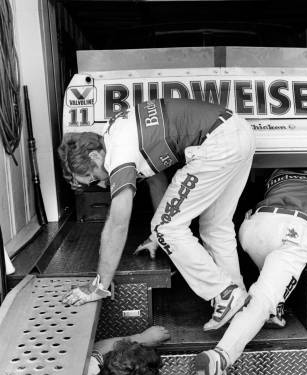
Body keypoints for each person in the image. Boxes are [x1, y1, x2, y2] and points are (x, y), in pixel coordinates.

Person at [58, 98, 256, 331]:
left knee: (167, 228)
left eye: (93, 178)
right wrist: (154, 236)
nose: (100, 185)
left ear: (94, 157)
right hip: (238, 132)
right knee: (215, 225)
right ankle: (239, 298)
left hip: (216, 144)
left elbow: (117, 224)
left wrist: (100, 285)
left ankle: (223, 292)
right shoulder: (114, 132)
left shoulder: (118, 153)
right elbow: (156, 177)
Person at [194, 169, 307, 375]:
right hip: (292, 230)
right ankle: (221, 356)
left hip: (254, 227)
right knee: (263, 299)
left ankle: (268, 311)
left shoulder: (277, 174)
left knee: (266, 285)